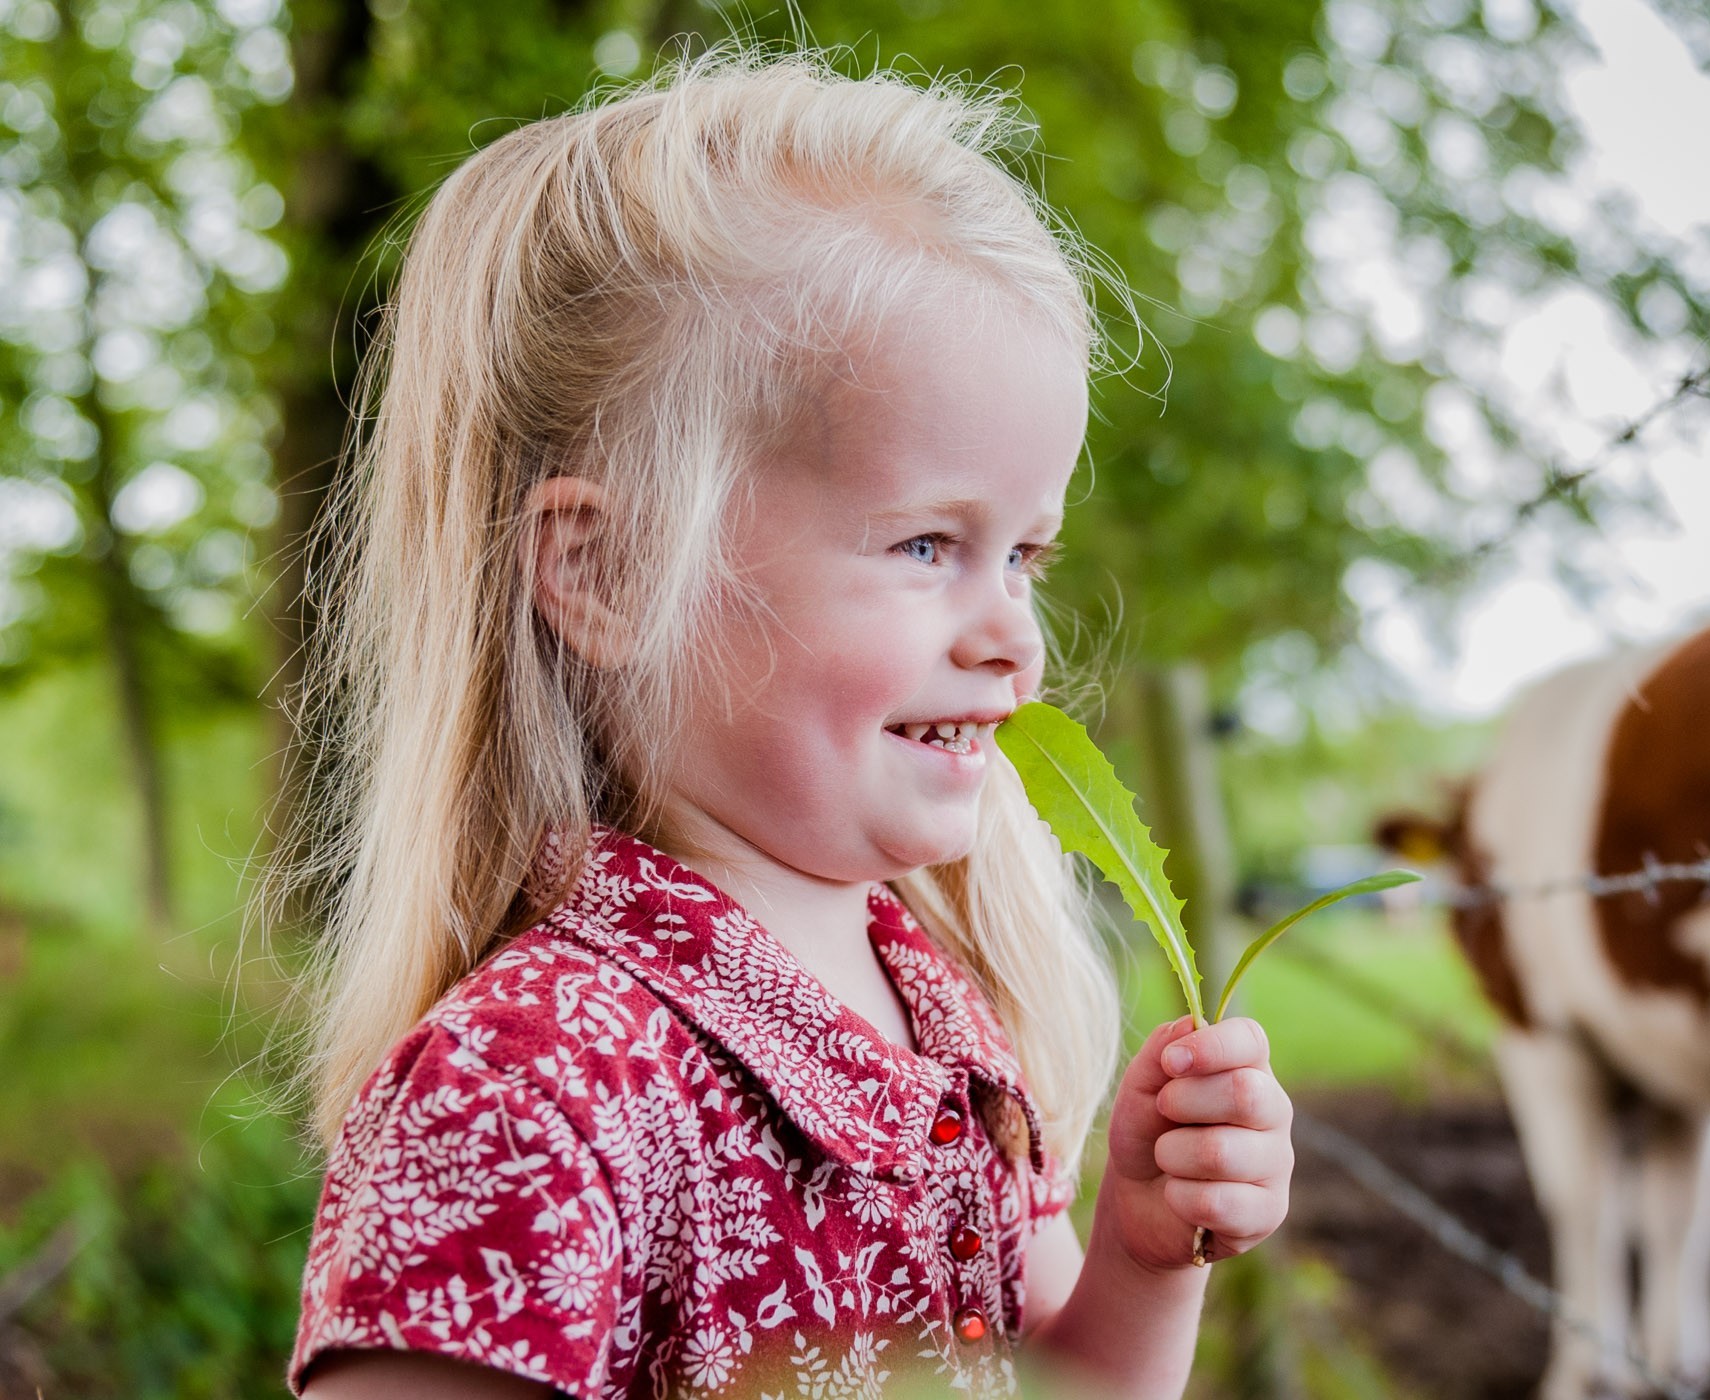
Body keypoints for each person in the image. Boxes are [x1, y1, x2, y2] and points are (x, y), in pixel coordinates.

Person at [270, 42, 1294, 1400]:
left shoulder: (941, 1011)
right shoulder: (527, 1095)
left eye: (1025, 557)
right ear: (610, 574)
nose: (1015, 636)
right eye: (927, 545)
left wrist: (1147, 1261)